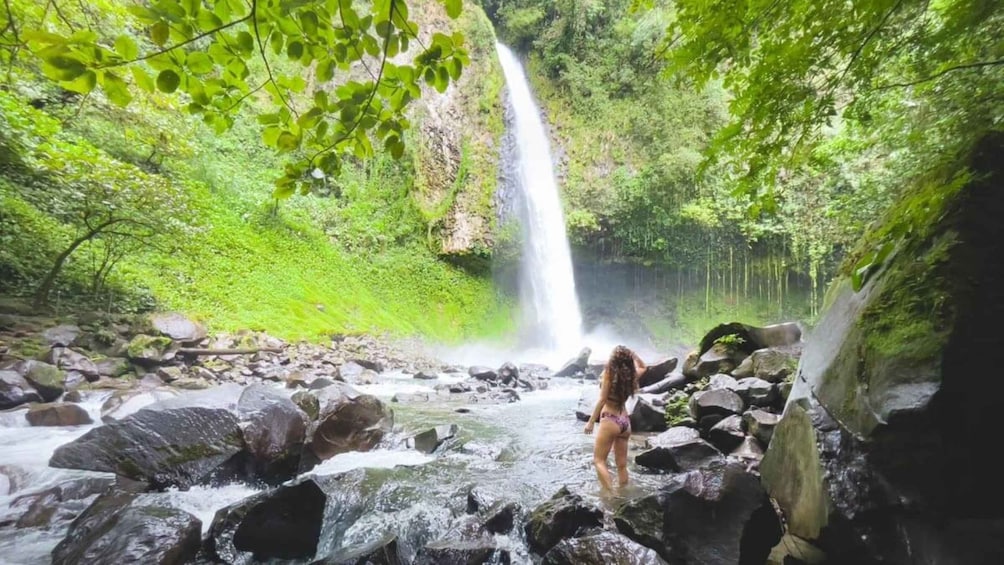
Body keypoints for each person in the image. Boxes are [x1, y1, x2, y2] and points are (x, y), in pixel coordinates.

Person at [584, 345, 646, 492]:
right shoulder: (631, 375)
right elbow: (644, 367)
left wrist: (591, 422)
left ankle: (611, 495)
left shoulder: (609, 375)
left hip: (610, 419)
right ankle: (623, 494)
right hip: (625, 422)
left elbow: (602, 399)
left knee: (599, 461)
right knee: (622, 465)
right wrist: (634, 355)